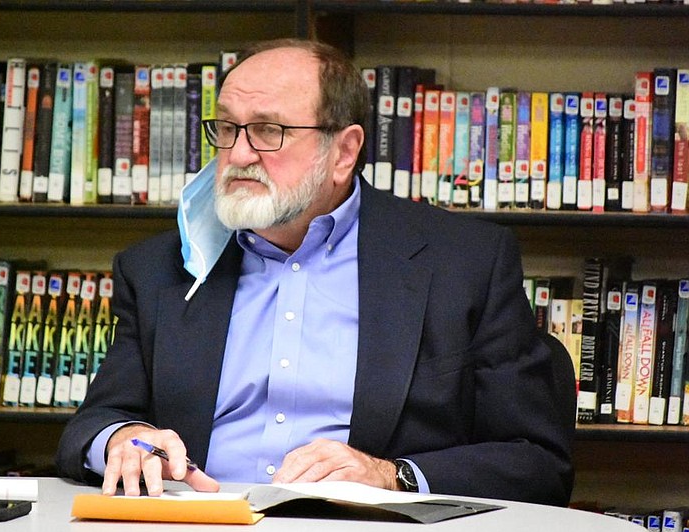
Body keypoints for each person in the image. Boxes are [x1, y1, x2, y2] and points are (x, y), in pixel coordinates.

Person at [55, 38, 574, 506]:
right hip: (203, 520)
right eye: (228, 128)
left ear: (343, 152)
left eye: (267, 131)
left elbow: (535, 461)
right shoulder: (158, 270)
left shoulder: (464, 263)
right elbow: (93, 426)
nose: (237, 155)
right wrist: (121, 441)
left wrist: (393, 476)